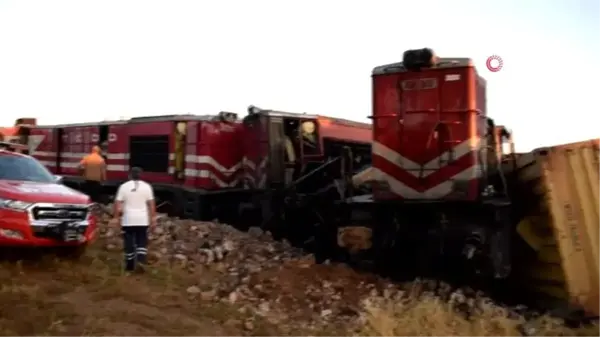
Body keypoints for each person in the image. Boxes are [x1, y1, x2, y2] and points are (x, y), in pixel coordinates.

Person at [113, 167, 156, 273]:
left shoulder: (123, 187)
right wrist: (153, 218)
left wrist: (116, 218)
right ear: (141, 175)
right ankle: (141, 261)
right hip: (142, 220)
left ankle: (130, 265)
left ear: (130, 175)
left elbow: (118, 204)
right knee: (141, 240)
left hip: (128, 220)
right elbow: (151, 204)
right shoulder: (147, 187)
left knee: (129, 242)